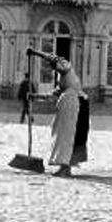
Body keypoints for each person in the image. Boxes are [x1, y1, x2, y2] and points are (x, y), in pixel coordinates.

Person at [27, 48, 84, 177]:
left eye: (54, 65)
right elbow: (53, 94)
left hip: (70, 103)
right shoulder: (63, 79)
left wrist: (36, 53)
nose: (54, 68)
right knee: (60, 133)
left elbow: (54, 58)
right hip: (66, 103)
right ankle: (65, 166)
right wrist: (35, 96)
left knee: (65, 135)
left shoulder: (67, 67)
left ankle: (65, 167)